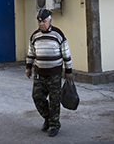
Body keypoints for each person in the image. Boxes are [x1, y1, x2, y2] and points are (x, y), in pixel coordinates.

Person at [25, 8, 72, 137]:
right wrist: (28, 67)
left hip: (54, 74)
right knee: (37, 96)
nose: (41, 24)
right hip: (39, 73)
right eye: (39, 21)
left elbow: (66, 54)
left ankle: (54, 125)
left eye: (44, 21)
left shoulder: (58, 34)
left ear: (50, 21)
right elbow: (31, 53)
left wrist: (68, 71)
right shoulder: (34, 36)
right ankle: (48, 118)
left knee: (54, 100)